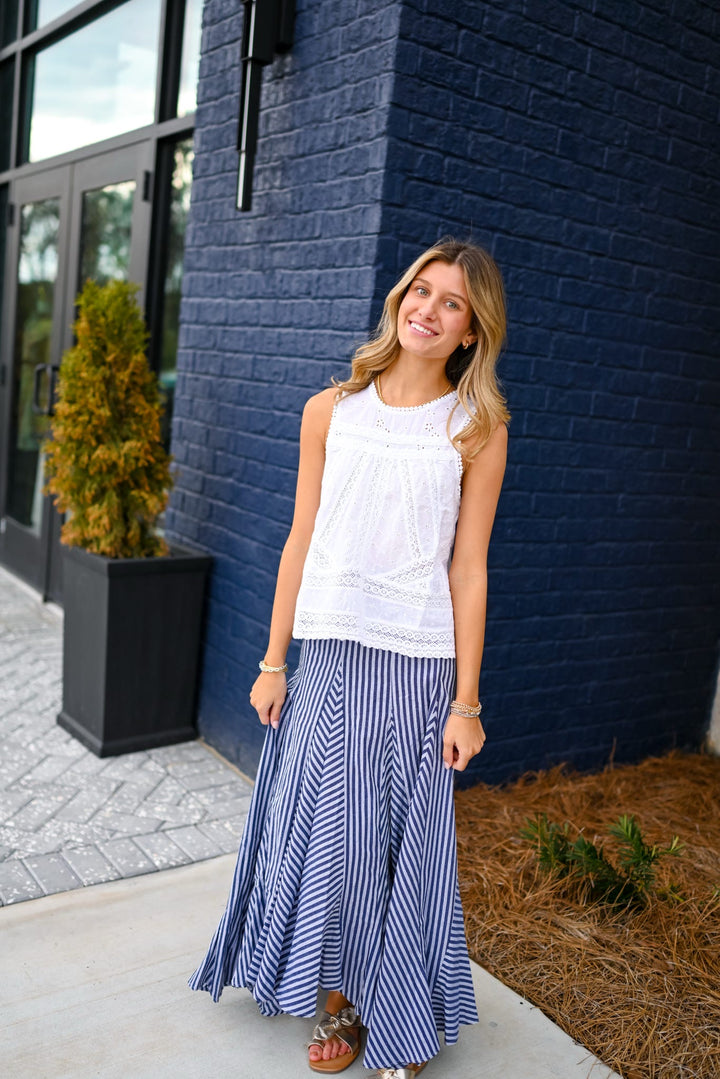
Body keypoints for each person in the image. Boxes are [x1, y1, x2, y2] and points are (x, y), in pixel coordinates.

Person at [188, 238, 510, 1078]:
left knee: (396, 843)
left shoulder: (476, 427)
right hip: (328, 653)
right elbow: (301, 537)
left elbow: (469, 567)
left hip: (414, 666)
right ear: (399, 297)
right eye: (420, 290)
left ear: (472, 332)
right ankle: (333, 996)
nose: (428, 310)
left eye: (451, 303)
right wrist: (271, 657)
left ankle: (385, 1011)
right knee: (329, 834)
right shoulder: (331, 408)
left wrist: (466, 701)